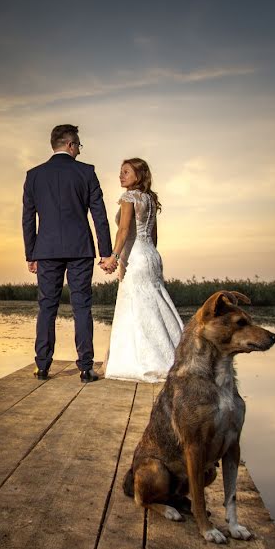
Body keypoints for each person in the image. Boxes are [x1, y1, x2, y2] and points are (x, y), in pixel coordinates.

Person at [22, 124, 114, 382]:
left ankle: (42, 366)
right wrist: (105, 251)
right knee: (82, 306)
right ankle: (86, 368)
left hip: (47, 249)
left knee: (47, 307)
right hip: (80, 248)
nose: (79, 151)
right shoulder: (86, 172)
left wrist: (31, 253)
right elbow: (99, 215)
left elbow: (28, 218)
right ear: (71, 145)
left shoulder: (34, 175)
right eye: (78, 146)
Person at [102, 158, 183, 382]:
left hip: (135, 257)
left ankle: (147, 361)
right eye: (120, 172)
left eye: (126, 172)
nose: (121, 176)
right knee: (155, 304)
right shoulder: (149, 199)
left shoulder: (129, 197)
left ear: (138, 175)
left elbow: (124, 230)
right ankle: (175, 355)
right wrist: (148, 257)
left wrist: (114, 257)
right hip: (151, 256)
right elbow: (153, 236)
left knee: (136, 308)